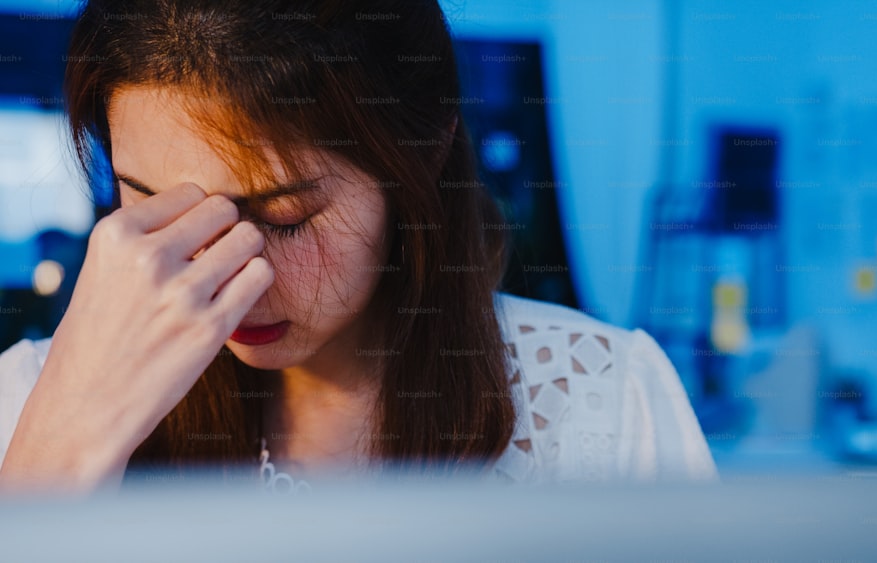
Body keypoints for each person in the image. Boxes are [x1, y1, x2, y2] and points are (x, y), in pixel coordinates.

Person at [0, 0, 717, 495]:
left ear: (422, 149)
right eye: (154, 207)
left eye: (283, 216)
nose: (224, 275)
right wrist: (61, 450)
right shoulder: (28, 400)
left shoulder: (602, 402)